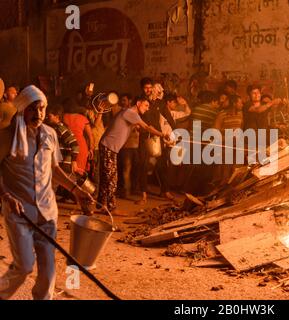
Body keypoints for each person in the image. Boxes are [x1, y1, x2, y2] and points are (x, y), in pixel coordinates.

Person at [0, 85, 92, 300]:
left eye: (41, 109)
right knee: (23, 266)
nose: (38, 114)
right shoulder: (7, 137)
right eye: (33, 109)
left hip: (47, 211)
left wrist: (76, 191)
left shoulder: (50, 134)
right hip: (19, 212)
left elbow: (54, 169)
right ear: (22, 109)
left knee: (48, 271)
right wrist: (6, 196)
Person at [97, 96, 170, 214]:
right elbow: (146, 127)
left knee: (106, 177)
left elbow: (142, 129)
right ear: (138, 103)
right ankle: (111, 208)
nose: (147, 109)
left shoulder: (129, 114)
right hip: (109, 146)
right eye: (146, 105)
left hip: (108, 145)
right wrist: (162, 135)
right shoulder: (131, 112)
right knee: (111, 178)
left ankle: (101, 204)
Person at [62, 98, 95, 175]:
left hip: (67, 146)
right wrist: (91, 149)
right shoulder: (83, 118)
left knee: (66, 174)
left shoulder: (63, 117)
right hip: (81, 147)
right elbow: (90, 136)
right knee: (79, 173)